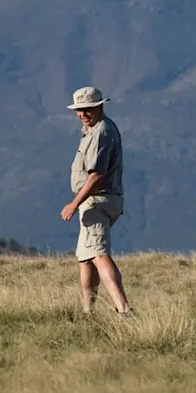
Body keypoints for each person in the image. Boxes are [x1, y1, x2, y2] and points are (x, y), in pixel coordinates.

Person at [60, 86, 130, 316]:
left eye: (87, 109)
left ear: (99, 106)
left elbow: (96, 176)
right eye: (79, 110)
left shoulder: (101, 132)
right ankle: (88, 311)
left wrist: (74, 203)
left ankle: (124, 310)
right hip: (95, 202)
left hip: (97, 200)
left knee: (99, 254)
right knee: (86, 258)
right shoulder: (91, 130)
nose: (82, 114)